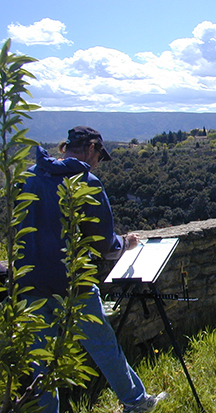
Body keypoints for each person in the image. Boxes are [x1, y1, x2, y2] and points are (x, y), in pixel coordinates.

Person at [17, 126, 166, 413]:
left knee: (40, 362)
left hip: (29, 282)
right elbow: (104, 245)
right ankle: (135, 401)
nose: (98, 162)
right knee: (103, 346)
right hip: (74, 283)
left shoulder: (29, 176)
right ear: (91, 148)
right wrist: (127, 242)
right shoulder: (87, 182)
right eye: (99, 155)